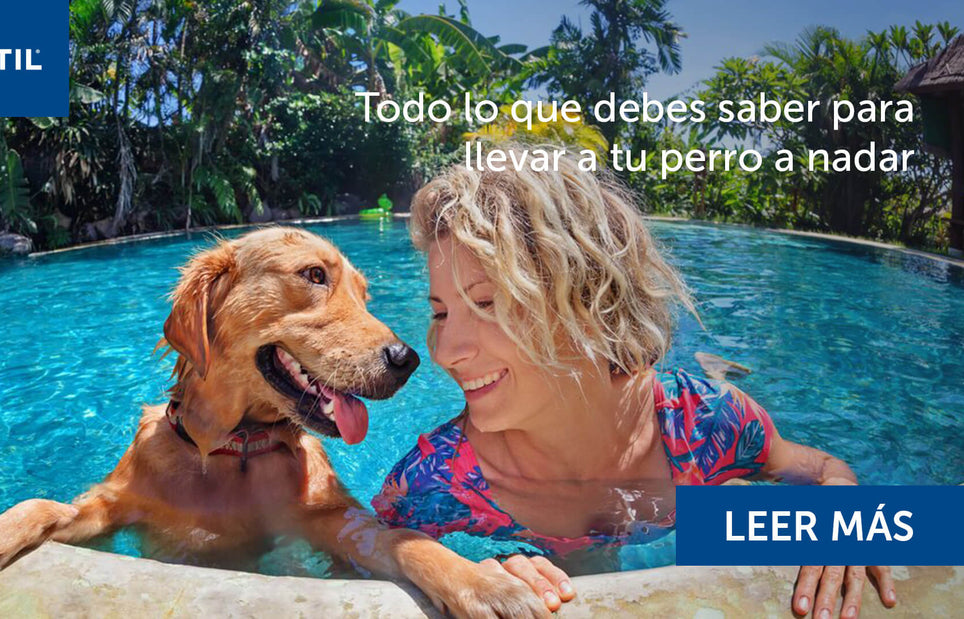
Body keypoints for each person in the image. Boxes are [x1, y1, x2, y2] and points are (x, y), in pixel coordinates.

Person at [372, 146, 897, 618]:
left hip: (676, 473)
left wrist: (841, 518)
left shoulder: (706, 423)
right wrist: (470, 560)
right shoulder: (433, 485)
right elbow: (362, 550)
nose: (444, 351)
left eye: (487, 303)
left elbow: (822, 468)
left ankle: (717, 368)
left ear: (590, 301)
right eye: (441, 313)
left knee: (736, 505)